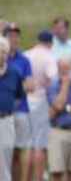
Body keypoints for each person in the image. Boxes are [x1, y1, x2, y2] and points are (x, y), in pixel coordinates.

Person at [24, 30, 58, 181]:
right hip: (41, 101)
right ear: (50, 43)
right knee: (40, 145)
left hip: (25, 102)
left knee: (29, 144)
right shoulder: (49, 57)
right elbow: (53, 78)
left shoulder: (26, 54)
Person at [4, 23, 34, 181]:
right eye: (10, 35)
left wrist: (10, 84)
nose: (14, 39)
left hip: (21, 110)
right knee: (6, 150)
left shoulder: (24, 60)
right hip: (4, 112)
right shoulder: (2, 58)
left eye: (16, 36)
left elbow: (30, 86)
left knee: (22, 149)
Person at [0, 36, 26, 181]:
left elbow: (19, 97)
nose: (2, 55)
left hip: (6, 122)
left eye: (4, 52)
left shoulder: (14, 73)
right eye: (0, 51)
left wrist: (7, 109)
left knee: (4, 160)